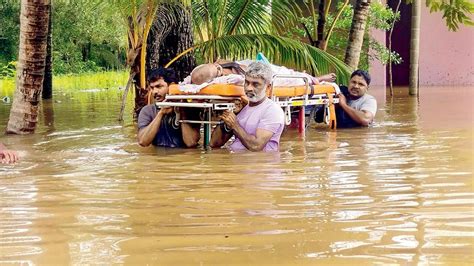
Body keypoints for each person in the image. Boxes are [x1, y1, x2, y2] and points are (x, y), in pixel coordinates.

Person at [210, 61, 285, 152]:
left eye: (255, 84)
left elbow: (256, 146)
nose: (249, 88)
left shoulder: (273, 110)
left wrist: (235, 125)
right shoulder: (241, 108)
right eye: (247, 82)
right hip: (237, 162)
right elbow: (214, 143)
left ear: (268, 87)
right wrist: (230, 117)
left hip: (259, 164)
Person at [137, 68, 200, 148]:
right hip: (157, 158)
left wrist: (181, 111)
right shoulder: (148, 111)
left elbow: (191, 142)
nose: (154, 92)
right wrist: (161, 113)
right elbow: (143, 142)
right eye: (152, 88)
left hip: (183, 159)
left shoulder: (190, 108)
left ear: (172, 86)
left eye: (159, 86)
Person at [187, 59, 337, 86]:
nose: (220, 69)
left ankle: (311, 78)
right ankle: (311, 78)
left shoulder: (221, 64)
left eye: (218, 67)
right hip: (260, 72)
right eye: (218, 71)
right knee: (289, 76)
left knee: (286, 73)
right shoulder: (228, 78)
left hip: (253, 65)